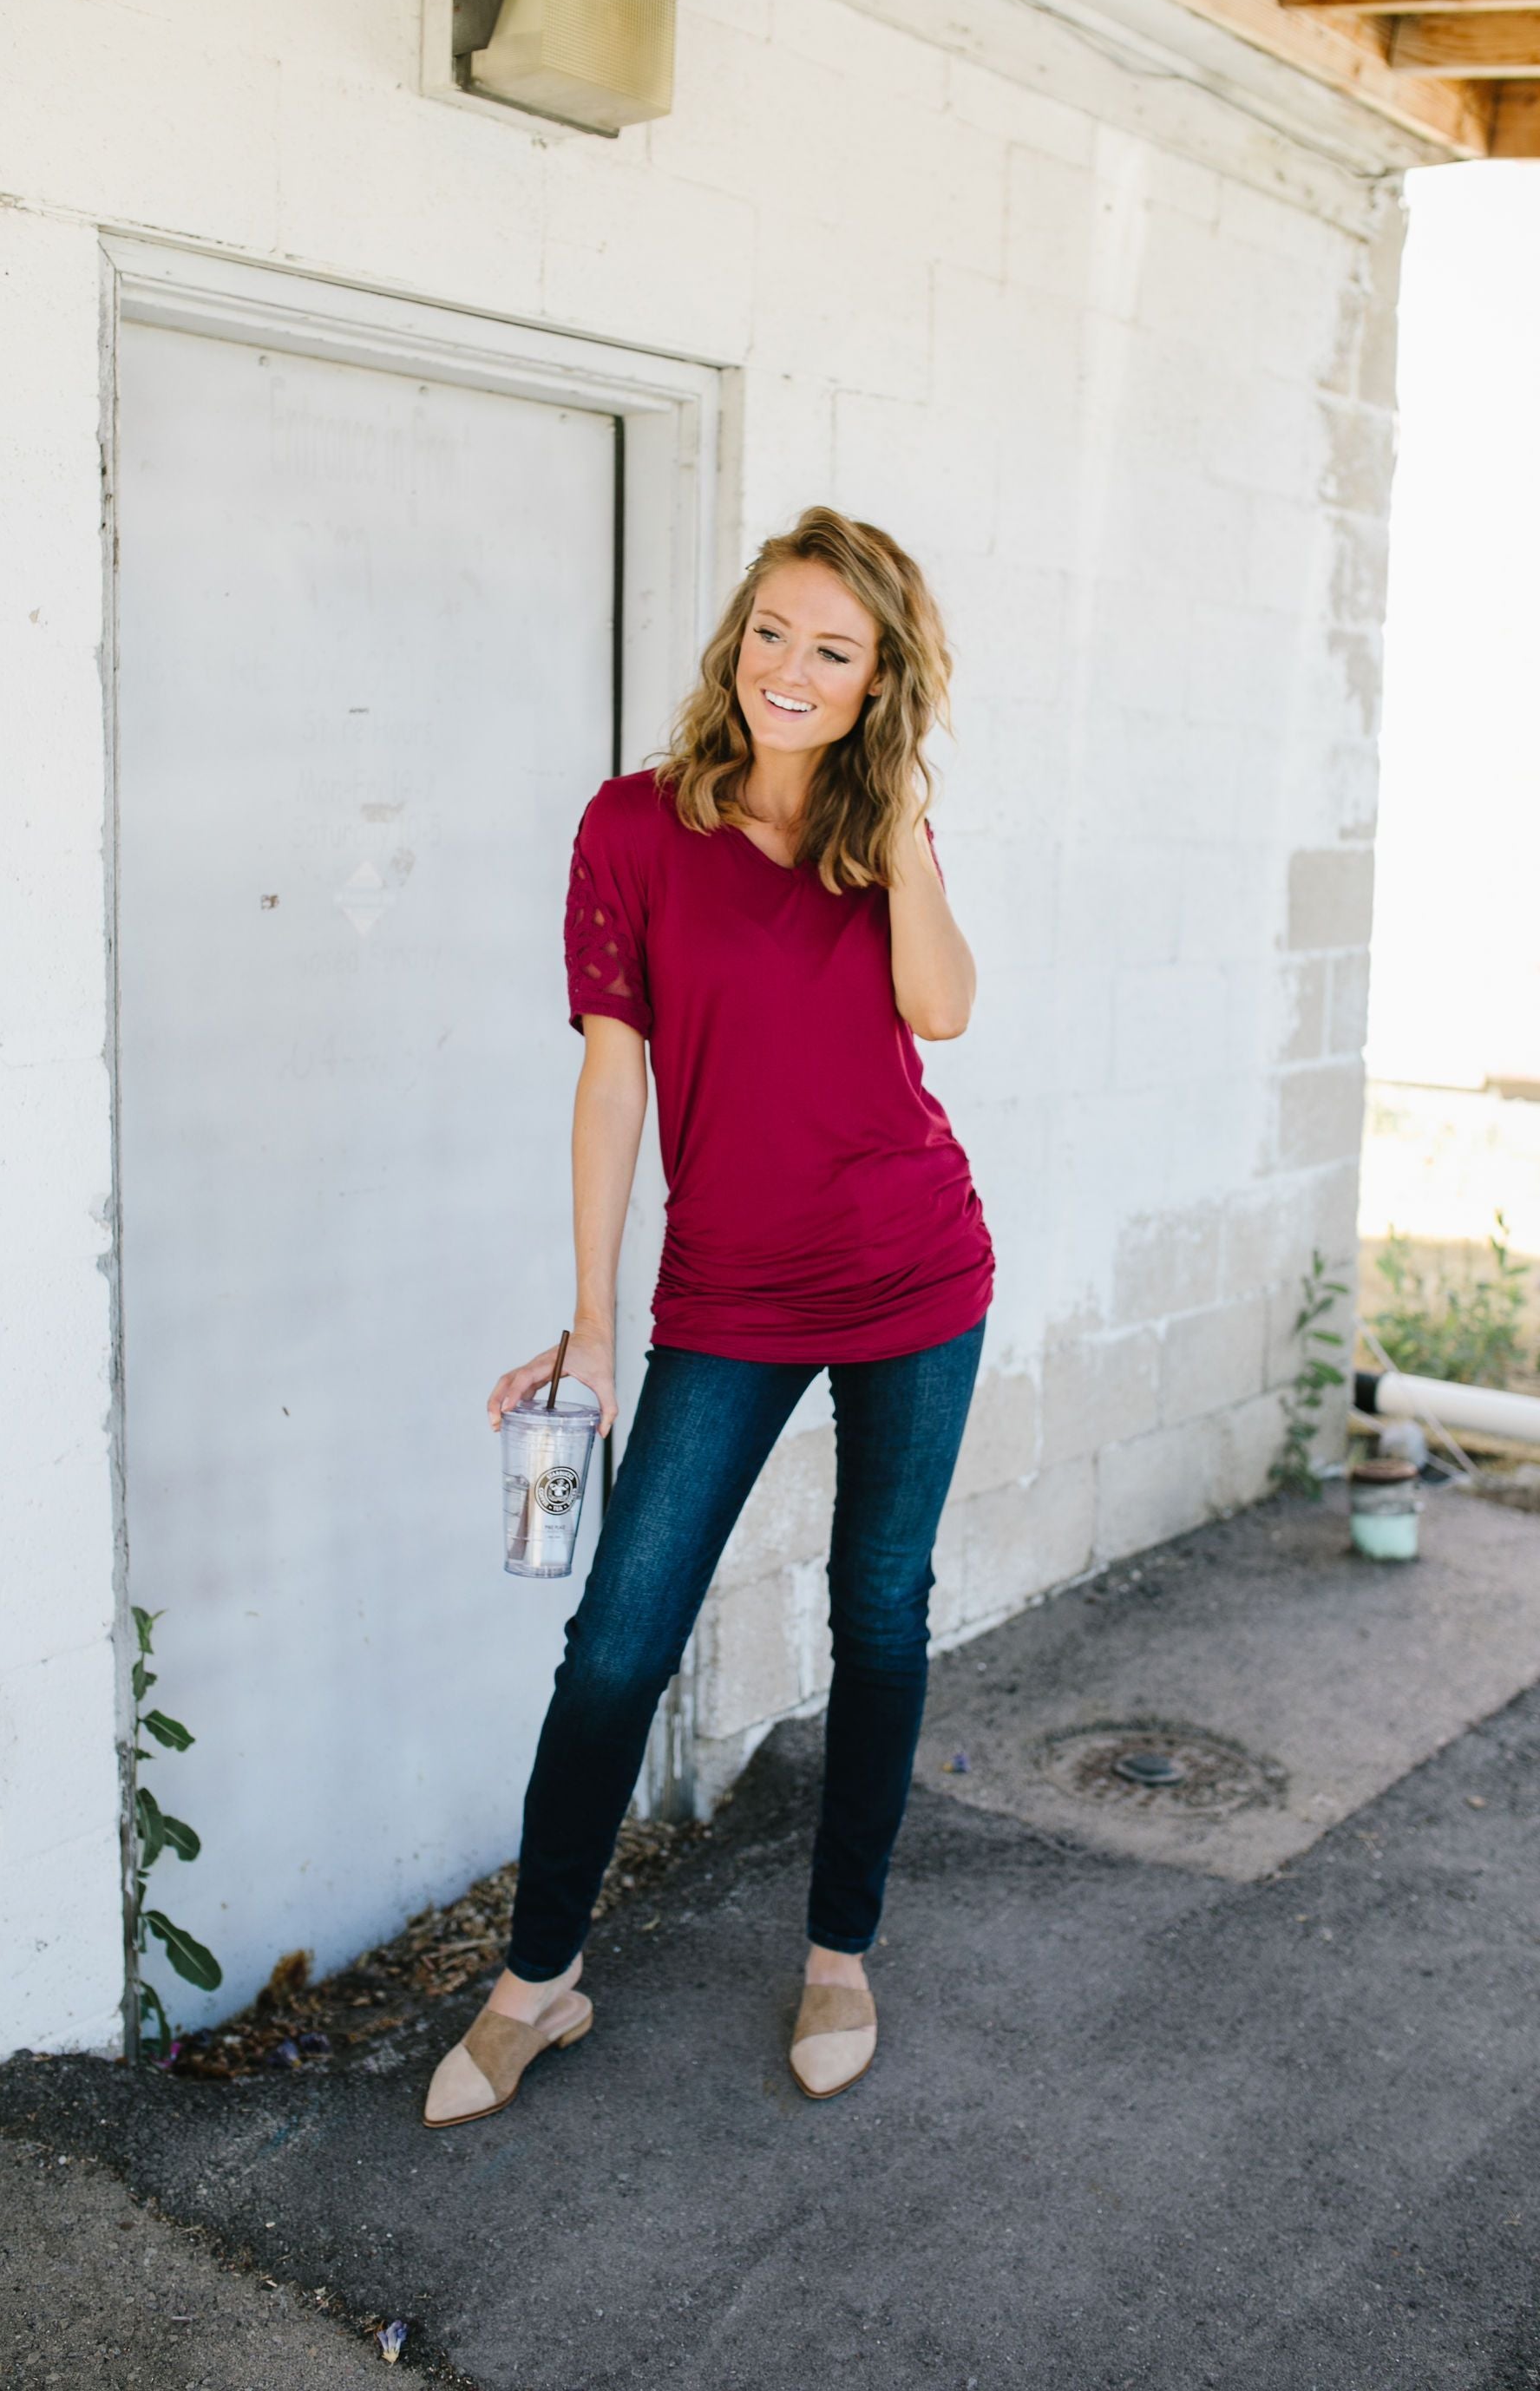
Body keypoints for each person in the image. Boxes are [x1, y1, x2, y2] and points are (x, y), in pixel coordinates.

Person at [424, 506, 994, 2126]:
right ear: (734, 637)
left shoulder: (885, 826)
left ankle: (841, 1952)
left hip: (914, 1273)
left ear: (879, 677)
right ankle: (539, 1981)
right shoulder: (632, 828)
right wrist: (591, 1327)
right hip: (729, 1296)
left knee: (880, 1609)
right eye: (771, 633)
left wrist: (898, 840)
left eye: (833, 649)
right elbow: (614, 1082)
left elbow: (942, 1009)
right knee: (618, 1638)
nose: (789, 671)